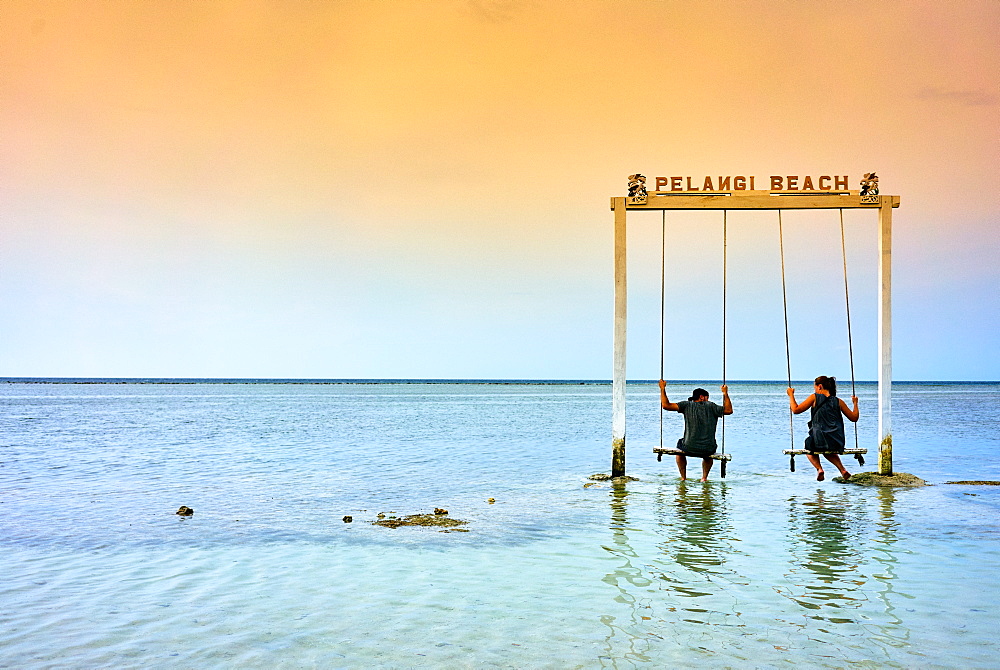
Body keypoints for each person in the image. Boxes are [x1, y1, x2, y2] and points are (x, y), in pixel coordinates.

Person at [787, 376, 860, 482]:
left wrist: (791, 395)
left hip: (819, 440)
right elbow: (854, 418)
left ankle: (819, 469)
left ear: (819, 386)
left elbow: (795, 410)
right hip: (837, 441)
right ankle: (842, 470)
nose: (815, 390)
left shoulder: (814, 397)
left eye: (815, 387)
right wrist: (855, 403)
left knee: (809, 446)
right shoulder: (838, 401)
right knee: (828, 450)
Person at [659, 380, 733, 482]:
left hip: (689, 446)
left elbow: (666, 405)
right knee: (709, 454)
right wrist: (725, 393)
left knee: (680, 450)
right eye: (707, 397)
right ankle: (704, 478)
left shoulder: (686, 405)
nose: (708, 400)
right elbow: (729, 410)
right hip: (708, 447)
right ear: (702, 397)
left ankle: (683, 477)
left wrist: (662, 388)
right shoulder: (712, 406)